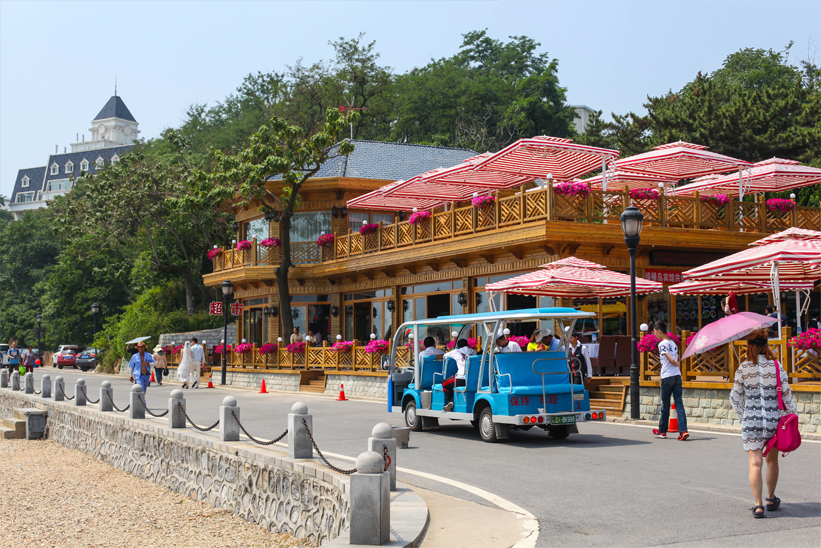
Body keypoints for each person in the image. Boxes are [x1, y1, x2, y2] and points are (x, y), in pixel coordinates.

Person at [730, 329, 797, 518]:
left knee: (755, 463)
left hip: (752, 420)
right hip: (773, 420)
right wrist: (793, 414)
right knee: (772, 460)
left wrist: (743, 415)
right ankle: (770, 498)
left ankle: (758, 506)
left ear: (749, 347)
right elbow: (786, 394)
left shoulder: (743, 368)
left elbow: (735, 398)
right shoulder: (777, 367)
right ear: (766, 345)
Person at [651, 322, 688, 441]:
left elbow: (670, 358)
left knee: (665, 404)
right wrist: (677, 365)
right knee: (679, 404)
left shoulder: (662, 344)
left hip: (667, 376)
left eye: (655, 331)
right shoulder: (673, 343)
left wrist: (675, 363)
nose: (654, 334)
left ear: (659, 331)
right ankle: (683, 431)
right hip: (677, 376)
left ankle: (662, 430)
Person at [442, 340, 472, 412]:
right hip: (471, 379)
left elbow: (444, 356)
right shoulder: (473, 351)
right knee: (452, 378)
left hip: (461, 379)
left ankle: (450, 401)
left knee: (444, 383)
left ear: (458, 346)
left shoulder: (455, 352)